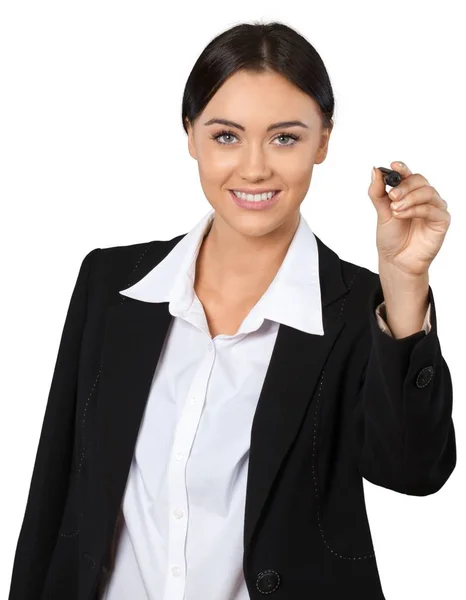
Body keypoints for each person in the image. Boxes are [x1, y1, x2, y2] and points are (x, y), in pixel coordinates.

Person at [8, 20, 455, 600]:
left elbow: (413, 472)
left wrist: (403, 281)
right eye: (225, 136)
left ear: (323, 141)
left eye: (285, 138)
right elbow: (54, 493)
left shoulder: (357, 310)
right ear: (190, 134)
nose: (253, 168)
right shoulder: (112, 285)